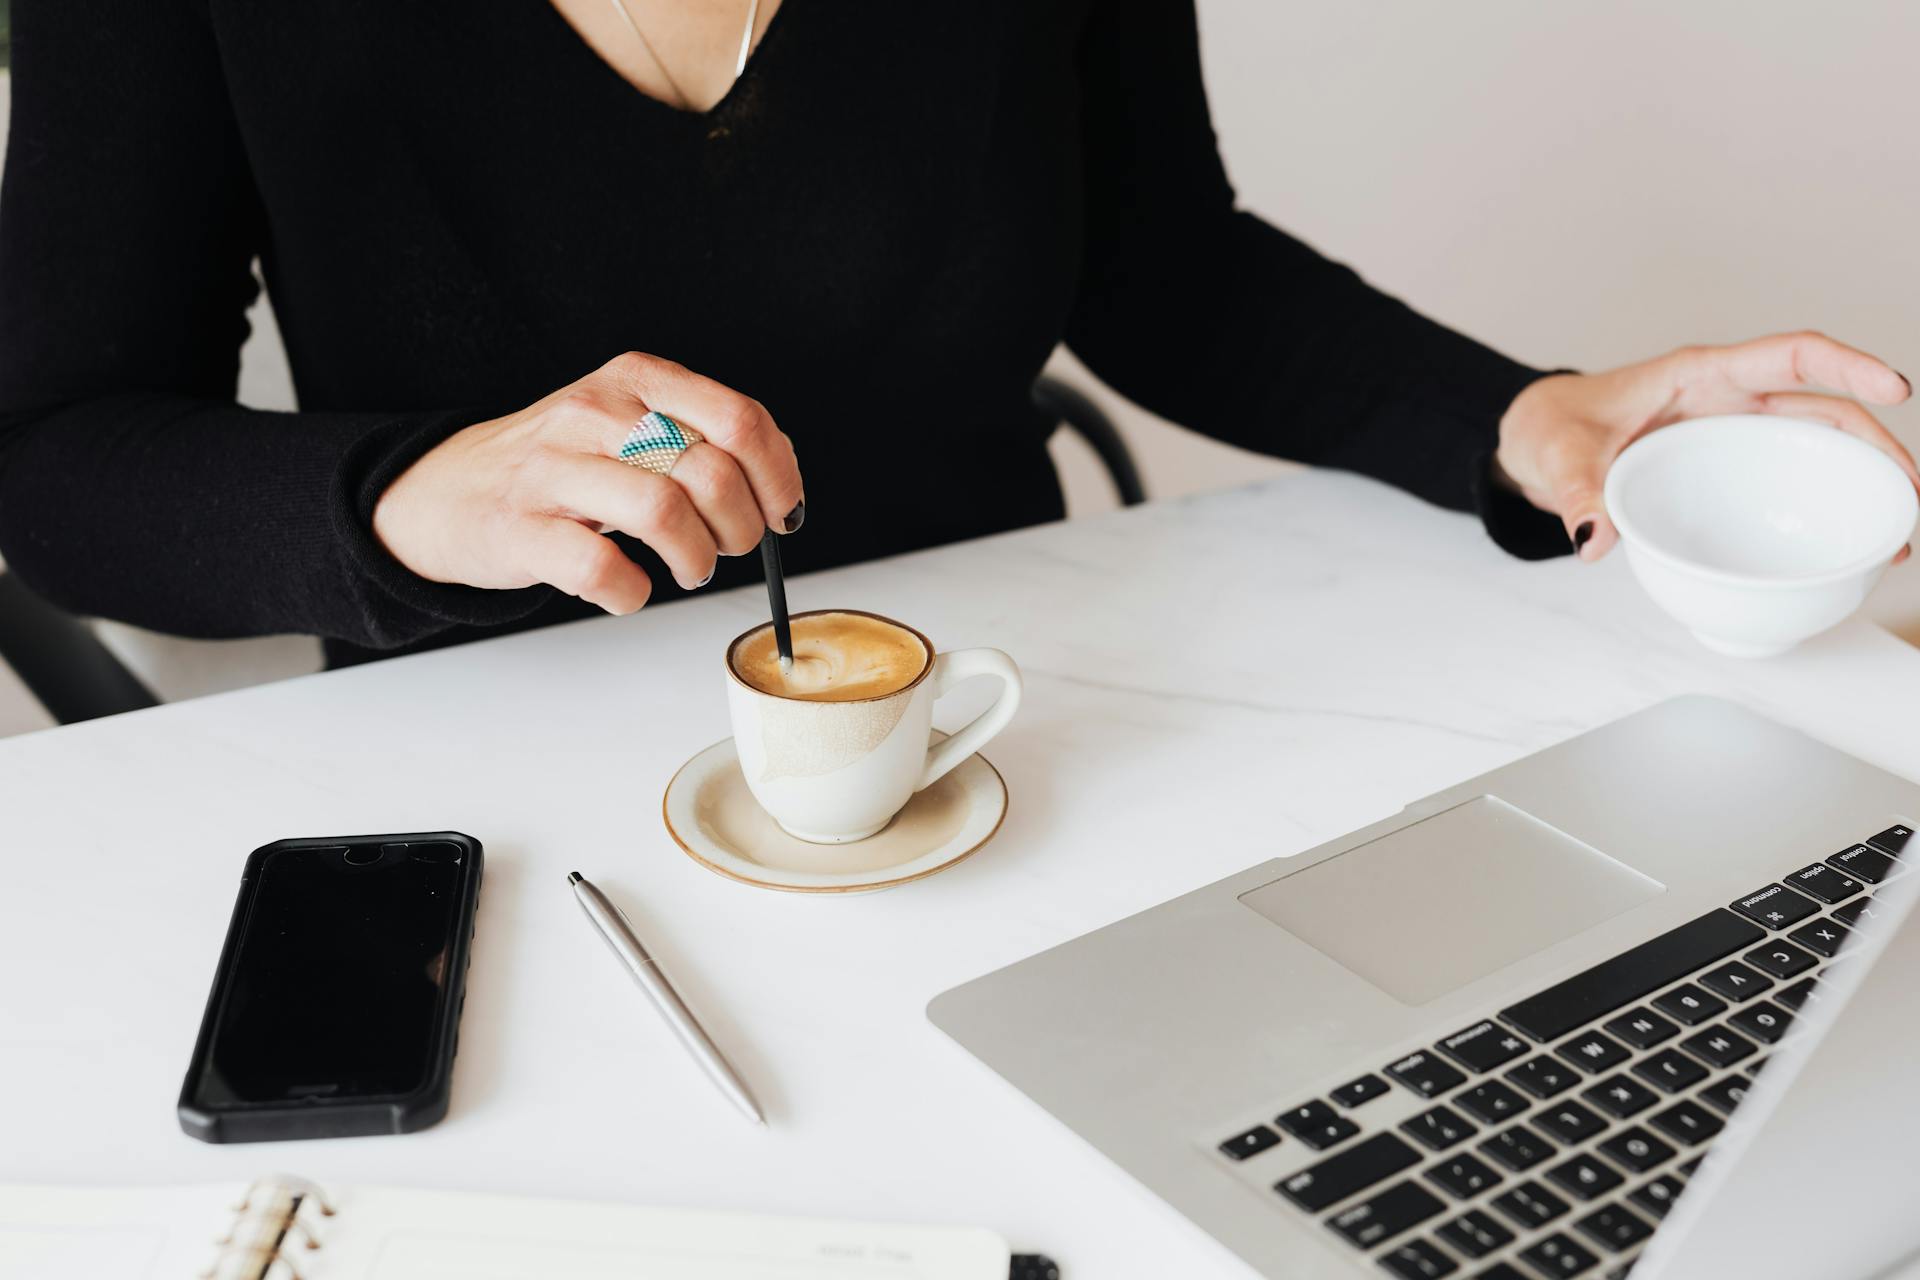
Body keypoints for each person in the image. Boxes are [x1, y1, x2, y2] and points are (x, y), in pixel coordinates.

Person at [1, 0, 1913, 670]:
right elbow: (59, 458)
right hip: (486, 776)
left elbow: (1161, 263)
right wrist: (401, 497)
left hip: (1013, 700)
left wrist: (1524, 416)